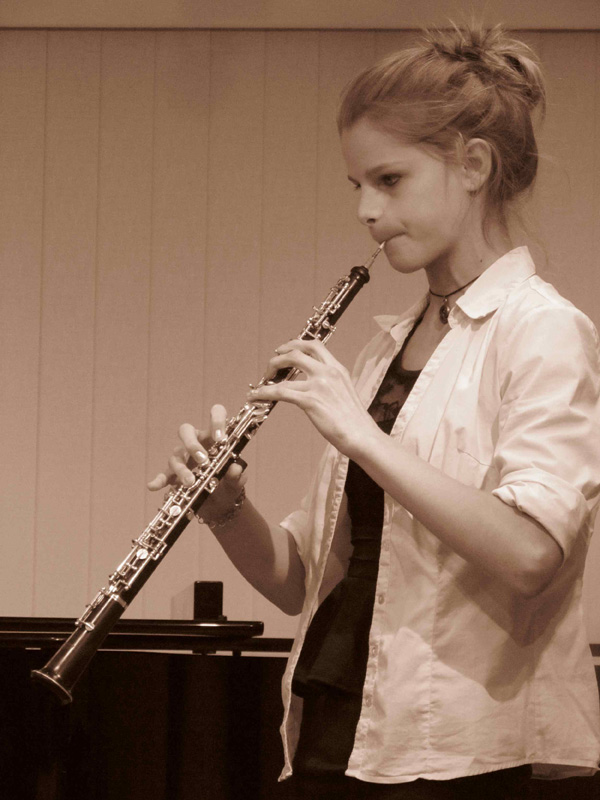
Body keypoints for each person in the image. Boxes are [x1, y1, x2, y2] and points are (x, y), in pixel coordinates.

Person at [148, 24, 600, 799]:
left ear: (474, 165)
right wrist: (226, 511)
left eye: (389, 180)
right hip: (337, 727)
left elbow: (532, 554)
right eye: (356, 184)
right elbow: (303, 581)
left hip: (464, 755)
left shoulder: (542, 329)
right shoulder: (383, 350)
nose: (365, 208)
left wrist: (360, 434)